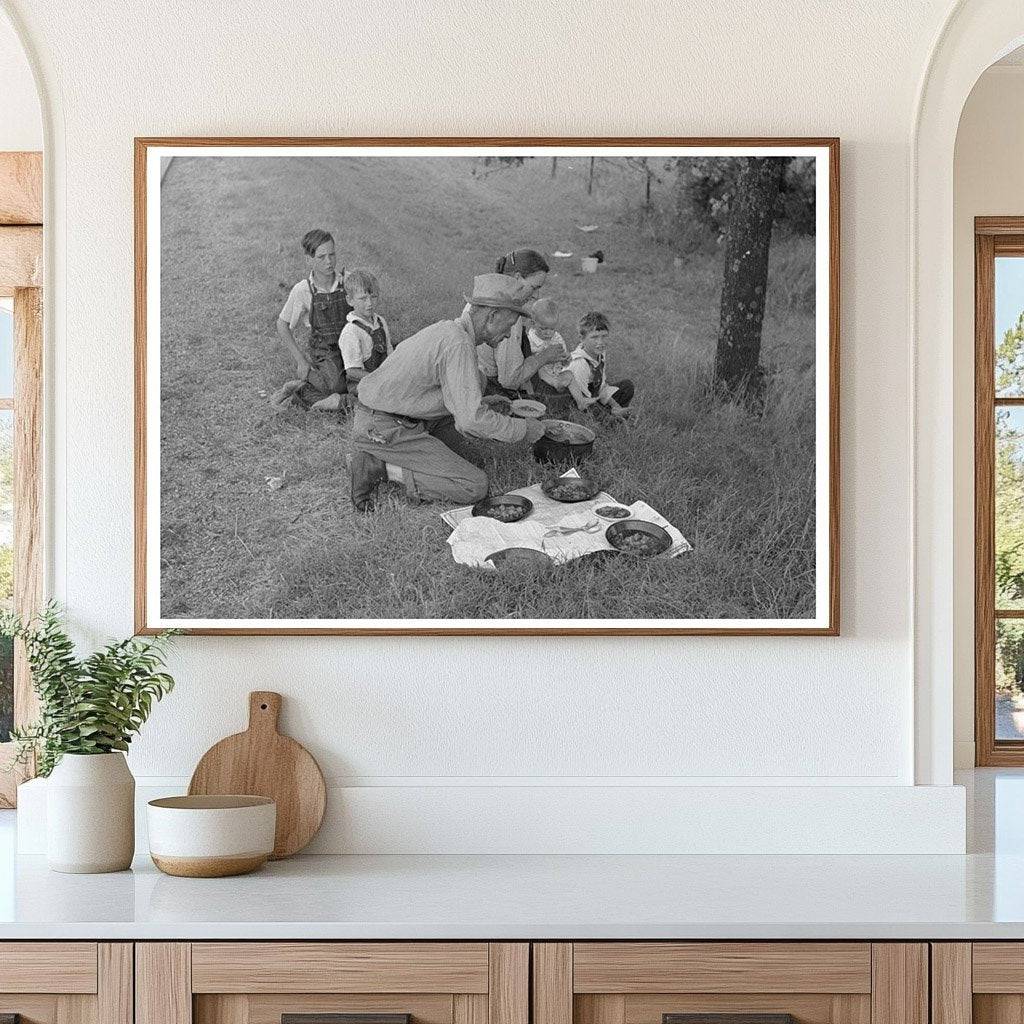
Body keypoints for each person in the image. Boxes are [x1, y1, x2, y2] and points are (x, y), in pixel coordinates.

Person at [349, 274, 548, 511]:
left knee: (471, 455)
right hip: (383, 427)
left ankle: (402, 456)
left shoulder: (451, 331)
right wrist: (524, 429)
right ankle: (379, 466)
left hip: (394, 416)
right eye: (508, 326)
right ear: (492, 316)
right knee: (474, 485)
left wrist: (481, 401)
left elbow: (436, 391)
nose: (507, 335)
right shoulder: (459, 344)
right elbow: (471, 421)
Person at [272, 229, 351, 411]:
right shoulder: (303, 290)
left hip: (350, 343)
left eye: (332, 254)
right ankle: (302, 386)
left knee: (363, 380)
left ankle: (316, 390)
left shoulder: (347, 281)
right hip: (326, 350)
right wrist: (301, 360)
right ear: (309, 259)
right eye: (321, 257)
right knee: (336, 387)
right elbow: (282, 324)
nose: (329, 261)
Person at [477, 249, 565, 394]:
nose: (536, 296)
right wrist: (545, 356)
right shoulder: (509, 315)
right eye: (534, 287)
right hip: (487, 386)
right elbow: (509, 380)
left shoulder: (487, 291)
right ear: (517, 278)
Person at [566, 311, 634, 420]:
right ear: (581, 338)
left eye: (604, 336)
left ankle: (615, 413)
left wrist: (615, 405)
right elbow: (581, 402)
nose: (600, 342)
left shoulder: (600, 354)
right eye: (594, 337)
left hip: (594, 395)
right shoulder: (580, 363)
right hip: (581, 402)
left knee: (627, 386)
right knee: (604, 417)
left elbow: (601, 386)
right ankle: (610, 419)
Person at [338, 268, 392, 398]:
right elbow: (352, 371)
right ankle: (342, 401)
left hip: (383, 377)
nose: (369, 304)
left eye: (373, 297)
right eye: (363, 299)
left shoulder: (380, 321)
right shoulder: (351, 332)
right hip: (361, 383)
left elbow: (389, 351)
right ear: (350, 300)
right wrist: (378, 379)